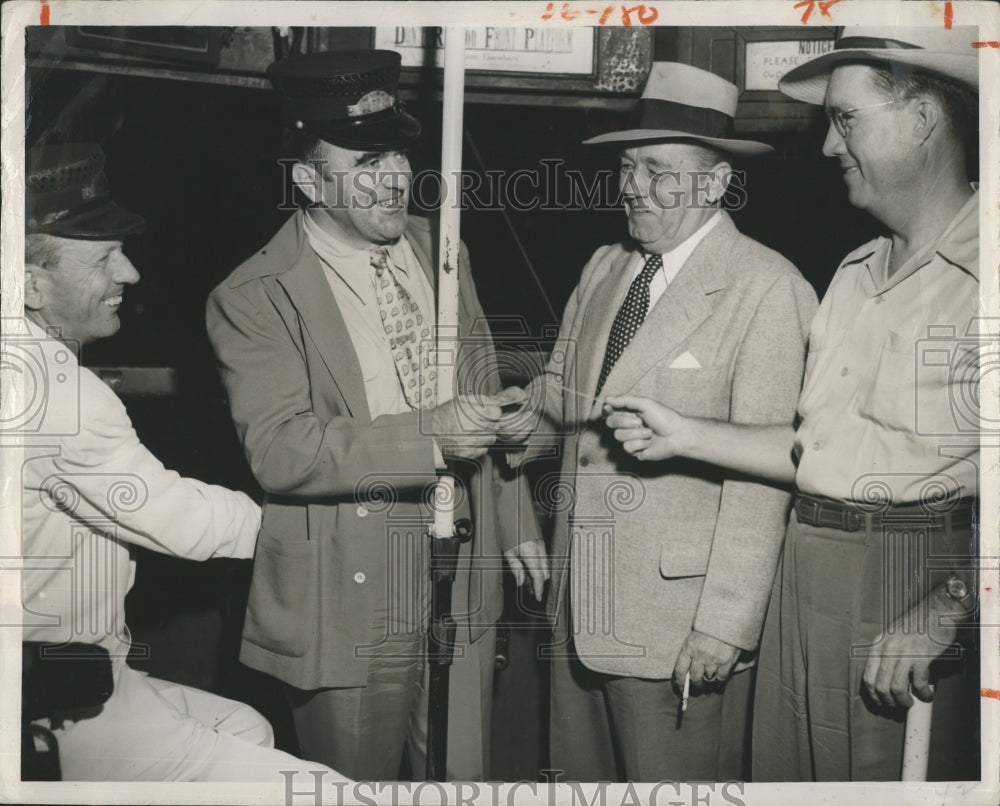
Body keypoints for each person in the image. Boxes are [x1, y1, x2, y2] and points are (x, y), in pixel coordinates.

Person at [606, 26, 981, 781]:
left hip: (913, 571)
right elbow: (814, 451)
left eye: (847, 120)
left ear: (922, 120)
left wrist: (949, 609)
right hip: (807, 568)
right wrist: (686, 433)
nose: (828, 147)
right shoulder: (855, 272)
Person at [206, 50, 547, 782]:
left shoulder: (441, 245)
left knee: (460, 773)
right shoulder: (255, 294)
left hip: (461, 556)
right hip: (347, 584)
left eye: (397, 154)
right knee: (357, 783)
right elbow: (282, 449)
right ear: (306, 178)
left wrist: (515, 516)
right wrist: (432, 433)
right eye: (364, 162)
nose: (395, 177)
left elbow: (480, 387)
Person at [501, 62, 817, 781]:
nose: (632, 186)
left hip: (677, 624)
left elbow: (768, 473)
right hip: (579, 605)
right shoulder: (607, 266)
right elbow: (565, 402)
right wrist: (507, 421)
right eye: (626, 165)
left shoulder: (769, 288)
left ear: (713, 184)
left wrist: (724, 624)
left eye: (657, 170)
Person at [18, 142, 349, 782]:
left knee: (249, 727)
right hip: (57, 697)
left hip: (70, 667)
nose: (131, 274)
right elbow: (175, 519)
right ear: (29, 282)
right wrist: (308, 529)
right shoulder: (56, 392)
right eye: (103, 258)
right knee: (323, 790)